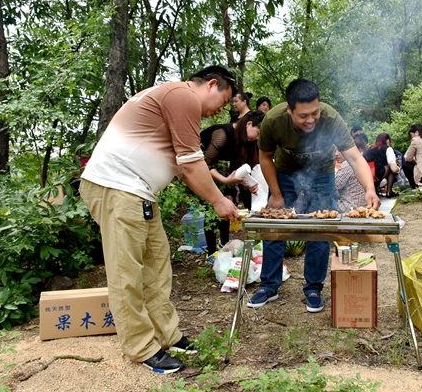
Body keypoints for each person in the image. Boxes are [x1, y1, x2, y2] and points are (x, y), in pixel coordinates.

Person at [79, 66, 240, 374]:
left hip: (139, 192)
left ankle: (168, 334)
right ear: (211, 84)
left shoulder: (177, 102)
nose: (224, 107)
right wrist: (219, 201)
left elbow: (185, 168)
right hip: (117, 187)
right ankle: (141, 347)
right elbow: (192, 165)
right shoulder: (182, 95)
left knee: (157, 264)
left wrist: (220, 192)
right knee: (127, 272)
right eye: (225, 97)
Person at [248, 78, 379, 313]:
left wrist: (370, 189)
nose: (310, 120)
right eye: (303, 115)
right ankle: (269, 285)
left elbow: (355, 158)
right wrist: (276, 193)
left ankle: (313, 288)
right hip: (286, 172)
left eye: (314, 113)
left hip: (321, 172)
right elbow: (265, 157)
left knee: (321, 225)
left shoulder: (330, 118)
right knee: (276, 224)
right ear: (289, 110)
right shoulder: (274, 120)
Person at [200, 110, 265, 256]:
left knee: (226, 207)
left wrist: (248, 184)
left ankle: (224, 246)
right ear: (249, 124)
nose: (257, 138)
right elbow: (203, 165)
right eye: (258, 132)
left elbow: (239, 168)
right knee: (210, 211)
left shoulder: (246, 141)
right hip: (204, 174)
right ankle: (211, 253)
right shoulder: (223, 134)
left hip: (223, 175)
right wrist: (225, 179)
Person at [334, 148, 366, 212]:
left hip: (350, 207)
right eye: (334, 151)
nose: (336, 154)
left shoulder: (347, 164)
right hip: (361, 205)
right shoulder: (357, 161)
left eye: (340, 150)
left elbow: (334, 186)